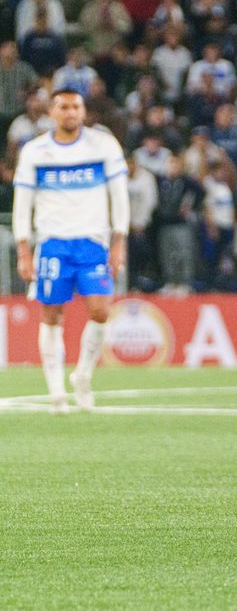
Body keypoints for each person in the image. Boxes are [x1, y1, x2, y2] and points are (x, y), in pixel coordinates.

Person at [12, 88, 130, 413]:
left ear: (83, 111)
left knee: (101, 311)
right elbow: (22, 204)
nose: (70, 113)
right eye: (63, 107)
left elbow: (119, 196)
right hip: (52, 243)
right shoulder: (35, 151)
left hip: (93, 242)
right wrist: (23, 249)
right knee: (51, 314)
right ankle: (56, 392)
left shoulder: (103, 145)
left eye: (75, 107)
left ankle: (83, 375)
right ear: (52, 112)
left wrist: (119, 241)